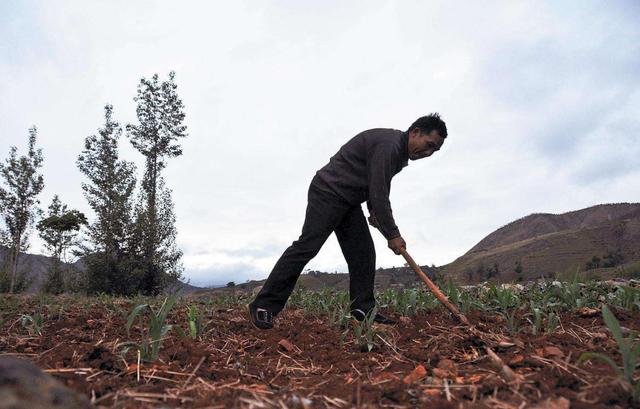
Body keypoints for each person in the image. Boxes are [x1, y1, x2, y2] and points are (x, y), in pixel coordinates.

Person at [249, 113, 448, 329]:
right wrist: (393, 234)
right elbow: (380, 192)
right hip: (328, 191)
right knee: (307, 247)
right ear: (416, 131)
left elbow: (376, 188)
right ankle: (264, 306)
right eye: (428, 145)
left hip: (349, 201)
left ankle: (363, 311)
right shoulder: (389, 147)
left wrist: (374, 213)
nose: (428, 153)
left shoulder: (397, 153)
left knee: (363, 254)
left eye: (434, 151)